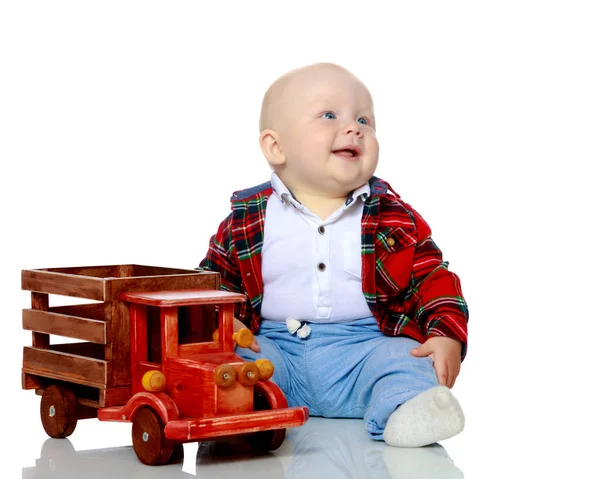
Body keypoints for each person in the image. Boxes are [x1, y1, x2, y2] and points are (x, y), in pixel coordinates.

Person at [198, 62, 468, 447]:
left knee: (406, 361)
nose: (354, 127)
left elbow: (432, 278)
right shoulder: (247, 219)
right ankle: (249, 415)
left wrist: (446, 335)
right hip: (276, 346)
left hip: (366, 346)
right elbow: (213, 282)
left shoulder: (394, 217)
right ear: (276, 146)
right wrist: (225, 327)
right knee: (233, 367)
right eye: (329, 115)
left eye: (364, 119)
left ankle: (409, 410)